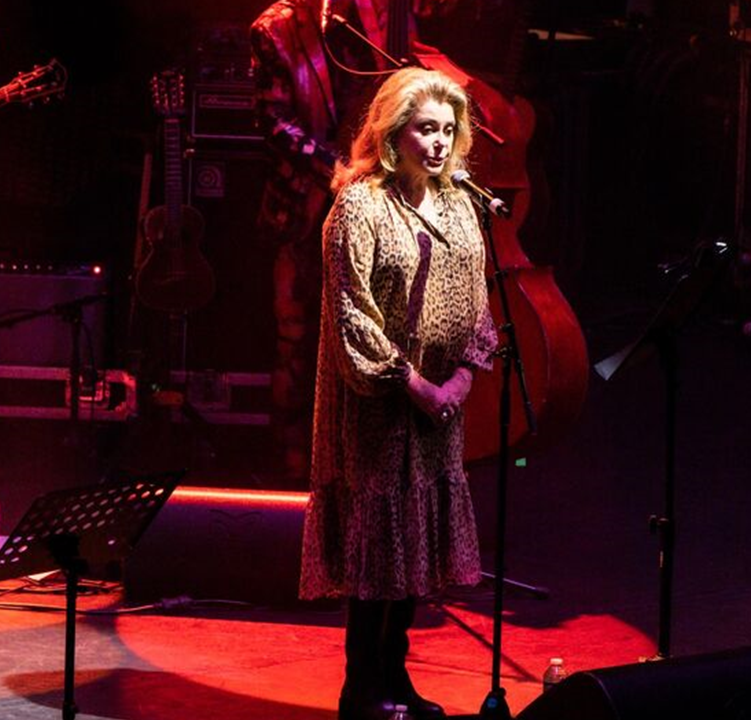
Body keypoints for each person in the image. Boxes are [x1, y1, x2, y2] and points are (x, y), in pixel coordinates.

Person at [300, 66, 497, 720]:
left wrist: (463, 378)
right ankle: (361, 689)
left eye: (448, 130)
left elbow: (478, 307)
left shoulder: (460, 204)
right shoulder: (358, 205)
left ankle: (396, 678)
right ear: (393, 132)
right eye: (425, 129)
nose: (439, 143)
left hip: (438, 404)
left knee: (413, 547)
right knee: (378, 549)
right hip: (378, 405)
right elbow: (351, 313)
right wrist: (410, 384)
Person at [249, 0, 407, 485]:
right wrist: (335, 170)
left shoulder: (382, 16)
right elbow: (273, 122)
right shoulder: (275, 28)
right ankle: (293, 472)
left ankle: (359, 466)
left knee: (369, 341)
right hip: (305, 208)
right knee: (296, 341)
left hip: (374, 211)